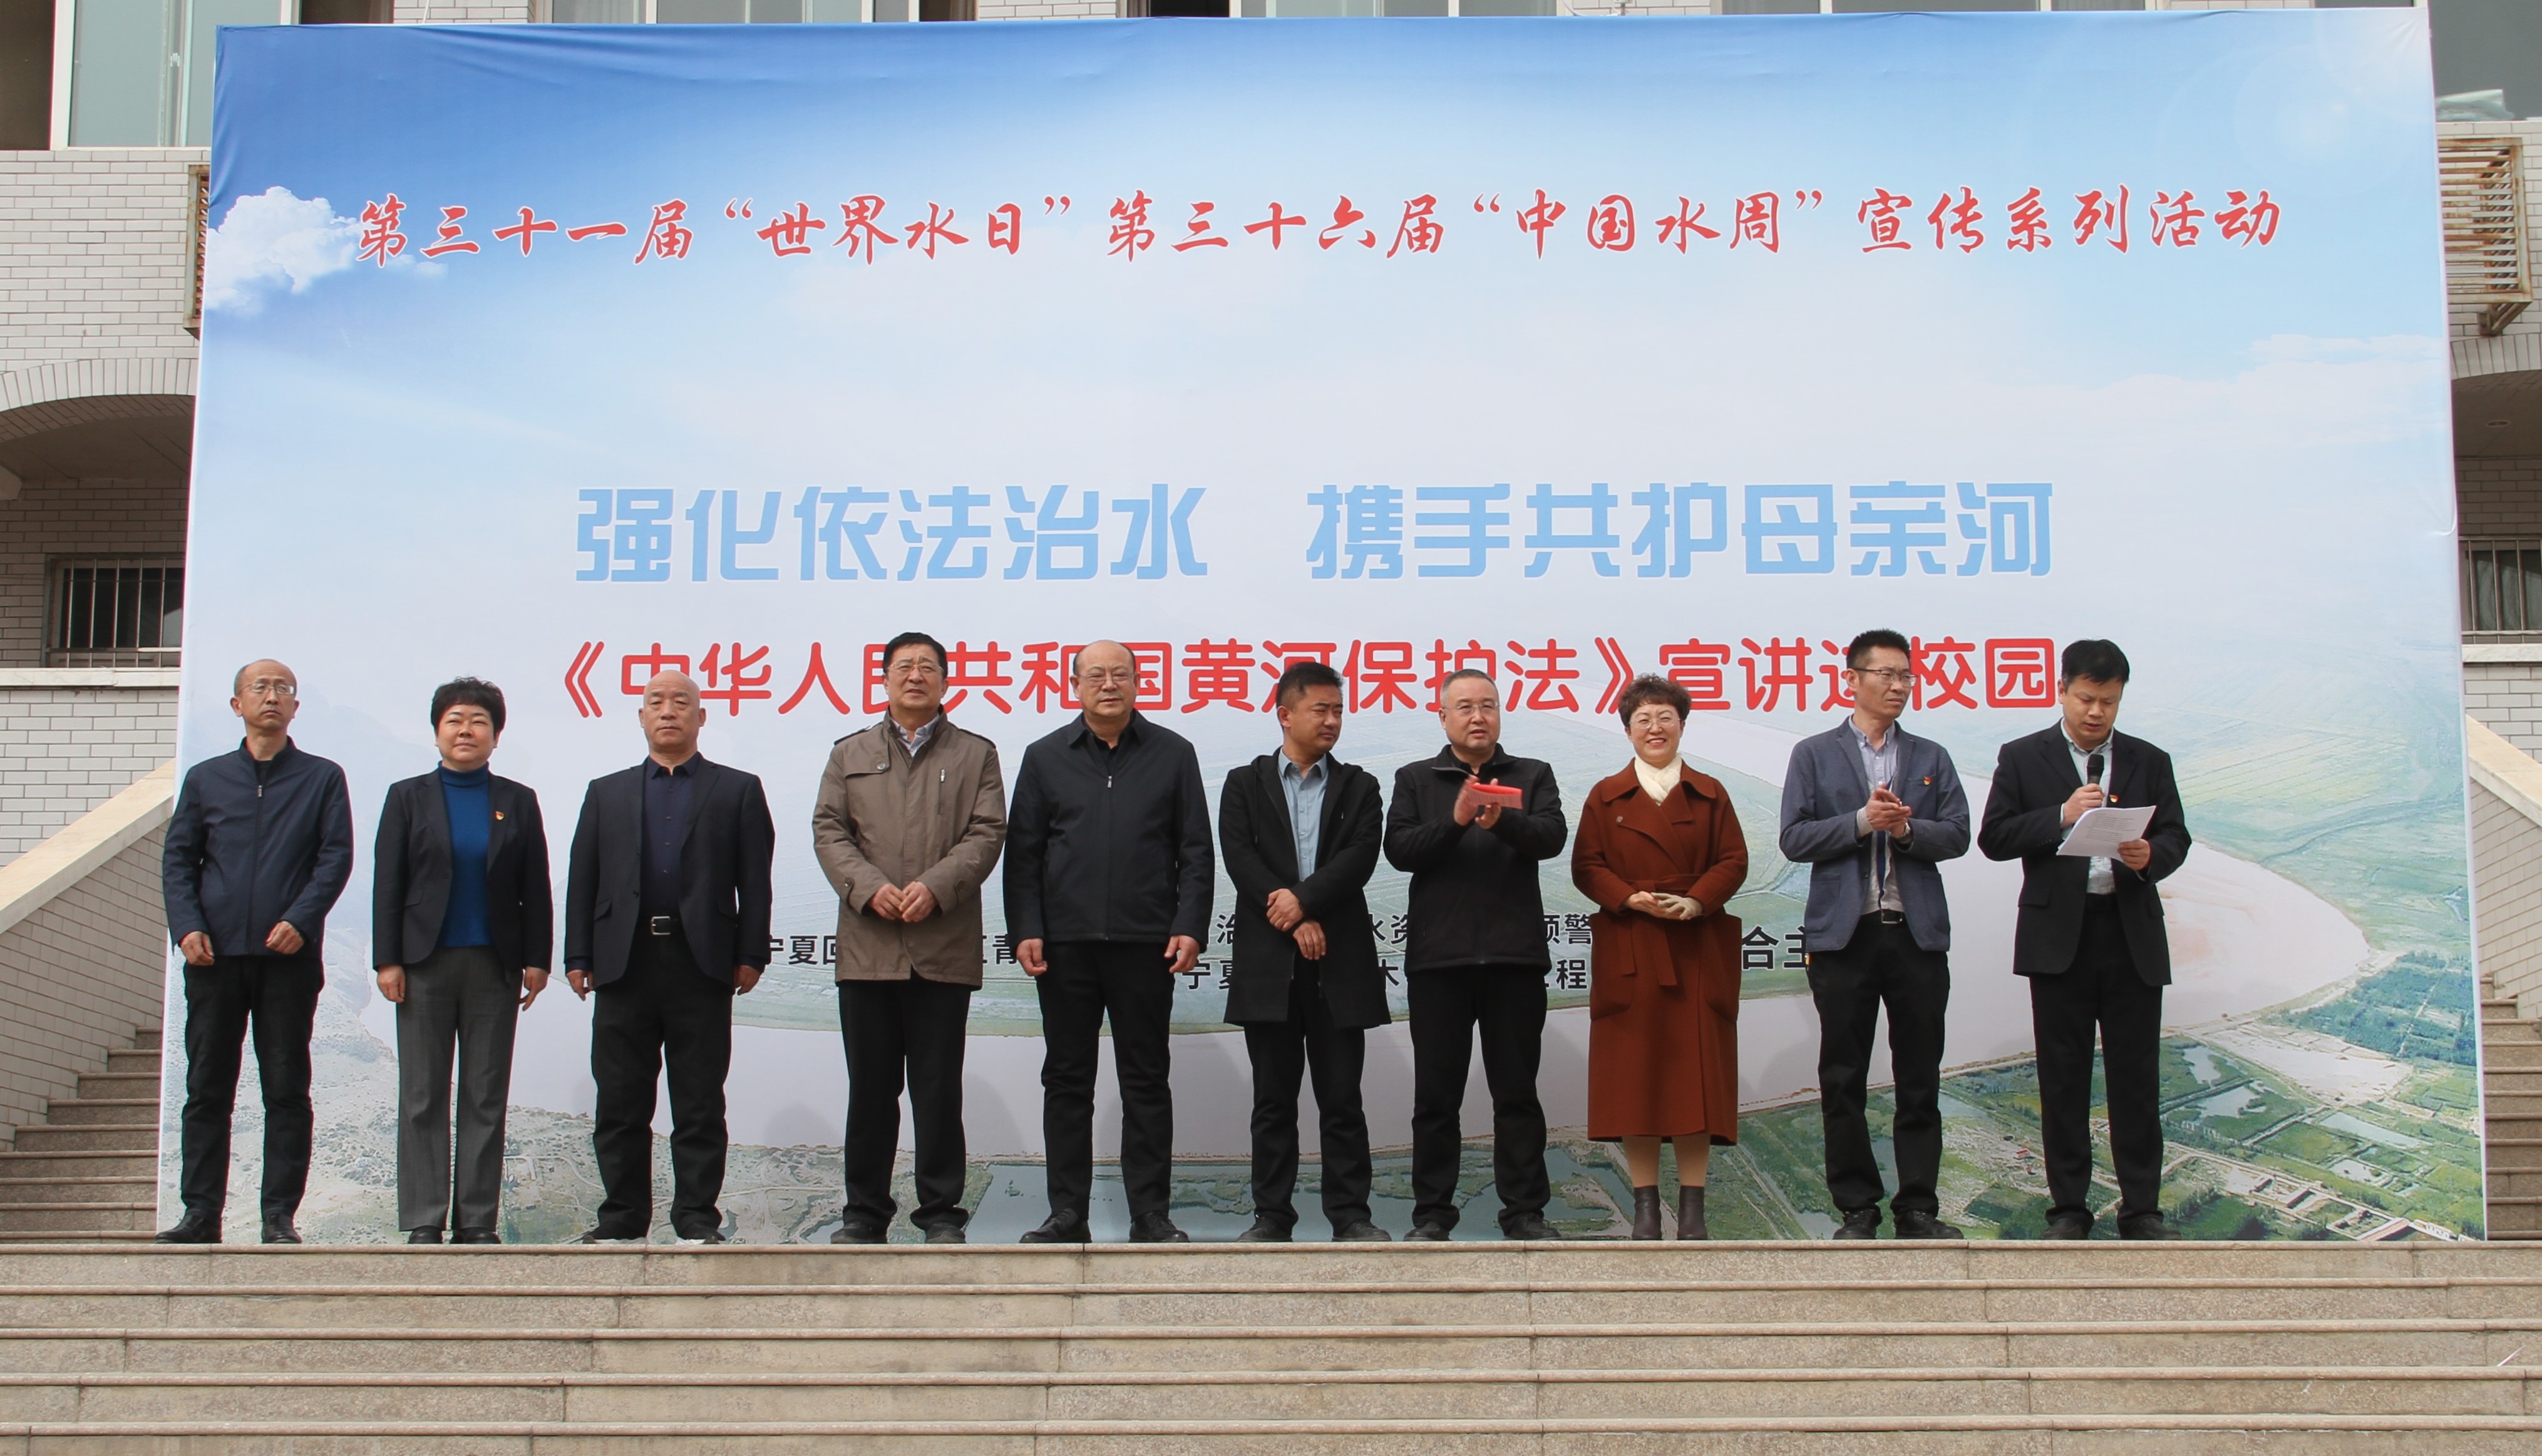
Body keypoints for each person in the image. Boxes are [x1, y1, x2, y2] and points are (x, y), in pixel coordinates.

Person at [1977, 639, 2191, 1241]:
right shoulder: (2023, 756)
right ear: (2062, 690)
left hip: (2129, 932)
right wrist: (2062, 815)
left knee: (2136, 1077)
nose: (2097, 712)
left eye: (2110, 702)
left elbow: (2176, 835)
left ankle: (2141, 1211)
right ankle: (2069, 1209)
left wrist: (2152, 857)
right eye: (2087, 698)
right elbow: (1995, 837)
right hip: (2059, 939)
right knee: (2064, 1077)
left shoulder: (2150, 760)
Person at [1004, 641, 1212, 1244]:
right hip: (1065, 945)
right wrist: (1027, 928)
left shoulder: (1173, 753)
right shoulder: (1045, 757)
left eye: (1120, 673)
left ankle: (1151, 1214)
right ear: (1075, 686)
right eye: (1095, 674)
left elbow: (1196, 849)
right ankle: (1067, 1213)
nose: (1109, 684)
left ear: (1139, 682)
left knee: (1145, 1079)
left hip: (1147, 943)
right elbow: (1024, 854)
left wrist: (1190, 924)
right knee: (1067, 1080)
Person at [563, 670, 774, 1245]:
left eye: (682, 702)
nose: (668, 711)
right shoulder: (606, 792)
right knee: (620, 1100)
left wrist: (751, 952)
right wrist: (578, 953)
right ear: (641, 717)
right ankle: (622, 1216)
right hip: (623, 961)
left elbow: (756, 881)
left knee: (699, 1100)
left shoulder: (737, 789)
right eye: (655, 701)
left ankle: (696, 1217)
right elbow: (583, 879)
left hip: (700, 961)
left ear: (701, 717)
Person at [812, 632, 1008, 1246]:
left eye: (928, 666)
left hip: (942, 949)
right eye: (904, 666)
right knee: (870, 1090)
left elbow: (988, 831)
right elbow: (829, 829)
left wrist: (936, 886)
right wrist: (868, 887)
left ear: (946, 681)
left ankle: (941, 1213)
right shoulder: (850, 752)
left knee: (937, 1089)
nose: (916, 675)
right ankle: (864, 1214)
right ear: (885, 678)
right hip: (868, 949)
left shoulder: (976, 753)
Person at [1778, 630, 1971, 1240]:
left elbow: (1958, 834)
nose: (1897, 686)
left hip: (1915, 936)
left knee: (1919, 1077)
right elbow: (1794, 839)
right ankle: (1857, 1209)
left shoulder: (1931, 757)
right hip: (1844, 939)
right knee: (1843, 1077)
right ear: (1851, 680)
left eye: (1905, 676)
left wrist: (1907, 832)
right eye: (1885, 674)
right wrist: (1863, 821)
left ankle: (1918, 1209)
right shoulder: (1814, 753)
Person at [157, 659, 355, 1246]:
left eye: (283, 688)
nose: (272, 696)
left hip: (287, 959)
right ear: (237, 704)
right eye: (260, 687)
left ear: (296, 707)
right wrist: (187, 927)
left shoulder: (322, 777)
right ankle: (200, 1214)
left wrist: (300, 919)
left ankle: (279, 1216)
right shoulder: (206, 779)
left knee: (287, 1089)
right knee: (207, 1088)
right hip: (214, 958)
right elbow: (179, 859)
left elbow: (334, 858)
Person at [1383, 668, 1569, 1242]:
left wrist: (1502, 818)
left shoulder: (1532, 774)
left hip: (1514, 959)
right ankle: (1433, 1214)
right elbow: (1400, 850)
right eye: (1464, 707)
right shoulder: (1417, 778)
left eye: (1487, 705)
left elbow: (1552, 837)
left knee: (1517, 1094)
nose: (1478, 716)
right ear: (1443, 717)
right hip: (1440, 961)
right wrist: (1457, 819)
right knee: (1436, 1098)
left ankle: (1525, 1212)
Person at [372, 677, 552, 1245]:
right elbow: (388, 882)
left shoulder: (516, 800)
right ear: (436, 733)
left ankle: (476, 1220)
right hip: (423, 964)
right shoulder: (407, 797)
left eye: (479, 721)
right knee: (422, 1093)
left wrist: (537, 958)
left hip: (494, 965)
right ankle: (425, 1217)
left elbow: (535, 885)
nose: (466, 730)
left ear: (496, 736)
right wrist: (387, 960)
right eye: (455, 720)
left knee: (485, 1093)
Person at [1570, 674, 1750, 1241]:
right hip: (1632, 948)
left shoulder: (1711, 792)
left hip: (1696, 948)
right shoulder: (1606, 795)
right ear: (1628, 730)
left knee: (1695, 1086)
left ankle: (1693, 1210)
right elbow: (1586, 865)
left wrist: (1697, 900)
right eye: (1643, 719)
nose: (1655, 728)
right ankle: (1646, 1208)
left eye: (1665, 717)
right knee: (1636, 1085)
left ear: (1682, 726)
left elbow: (1734, 860)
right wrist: (1628, 898)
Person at [1220, 661, 1389, 1244]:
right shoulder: (1244, 783)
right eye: (1321, 709)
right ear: (1285, 714)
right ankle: (1272, 1216)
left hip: (1340, 962)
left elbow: (1359, 858)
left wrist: (1305, 903)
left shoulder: (1360, 785)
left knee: (1342, 1099)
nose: (1333, 720)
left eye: (1339, 710)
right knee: (1273, 1100)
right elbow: (1240, 857)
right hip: (1269, 964)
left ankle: (1351, 1215)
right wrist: (1292, 915)